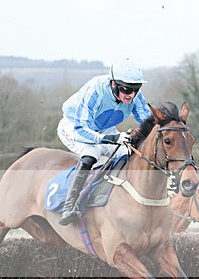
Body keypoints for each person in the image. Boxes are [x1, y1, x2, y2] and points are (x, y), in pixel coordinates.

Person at [57, 58, 150, 225]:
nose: (131, 94)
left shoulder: (135, 96)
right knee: (92, 152)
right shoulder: (96, 90)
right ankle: (69, 205)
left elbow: (149, 122)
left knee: (127, 152)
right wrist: (111, 139)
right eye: (126, 89)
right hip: (74, 126)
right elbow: (81, 129)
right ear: (113, 84)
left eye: (136, 89)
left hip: (104, 129)